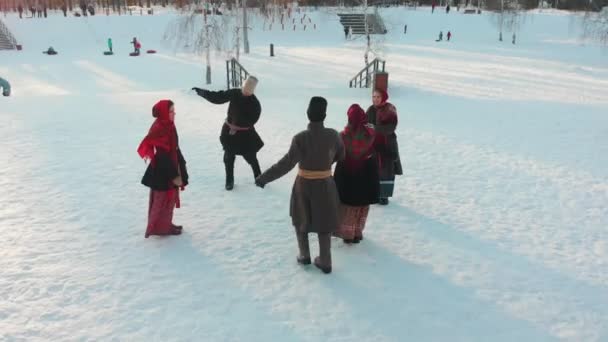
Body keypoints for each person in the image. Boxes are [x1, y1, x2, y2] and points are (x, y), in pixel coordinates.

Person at [255, 97, 345, 274]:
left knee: (301, 218)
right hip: (326, 185)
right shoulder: (334, 135)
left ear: (307, 114)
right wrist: (324, 166)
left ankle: (304, 256)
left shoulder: (300, 138)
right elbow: (341, 156)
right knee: (324, 223)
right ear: (324, 115)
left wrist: (263, 178)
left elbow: (286, 163)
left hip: (304, 185)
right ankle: (325, 261)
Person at [192, 76, 263, 190]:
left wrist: (239, 123)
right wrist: (202, 92)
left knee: (251, 157)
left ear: (252, 91)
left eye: (248, 91)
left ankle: (259, 177)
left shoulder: (255, 104)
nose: (244, 92)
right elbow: (218, 97)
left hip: (245, 134)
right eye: (244, 89)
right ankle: (229, 180)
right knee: (228, 156)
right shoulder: (235, 93)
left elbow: (252, 120)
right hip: (229, 133)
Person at [138, 100, 189, 238]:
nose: (174, 113)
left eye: (173, 110)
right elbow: (162, 155)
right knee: (163, 200)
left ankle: (166, 225)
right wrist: (174, 175)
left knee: (169, 199)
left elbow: (174, 147)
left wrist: (181, 164)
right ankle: (160, 228)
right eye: (171, 111)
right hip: (163, 170)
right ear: (164, 113)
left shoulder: (169, 125)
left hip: (170, 165)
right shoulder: (160, 128)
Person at [333, 104, 383, 244]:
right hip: (367, 172)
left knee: (348, 206)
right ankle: (357, 232)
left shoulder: (342, 136)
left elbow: (336, 155)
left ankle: (347, 234)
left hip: (347, 173)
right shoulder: (371, 133)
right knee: (362, 205)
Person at [366, 89, 402, 205]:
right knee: (374, 170)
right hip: (374, 144)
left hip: (387, 144)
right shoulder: (370, 109)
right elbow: (365, 124)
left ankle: (384, 196)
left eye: (378, 97)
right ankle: (375, 193)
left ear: (383, 97)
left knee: (387, 170)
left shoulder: (390, 109)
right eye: (373, 97)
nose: (375, 99)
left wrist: (375, 128)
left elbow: (391, 127)